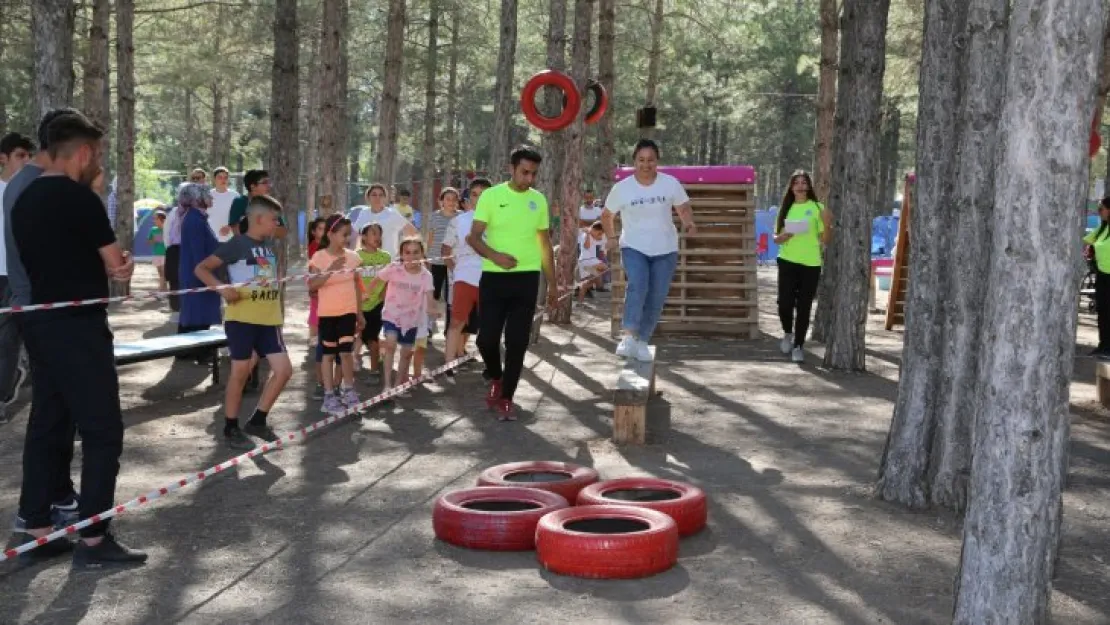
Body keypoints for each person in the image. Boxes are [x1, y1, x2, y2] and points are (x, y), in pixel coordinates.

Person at [12, 111, 146, 566]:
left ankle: (36, 527)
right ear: (84, 152)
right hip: (79, 326)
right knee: (101, 428)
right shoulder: (80, 199)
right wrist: (121, 264)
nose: (98, 163)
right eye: (99, 154)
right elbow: (116, 264)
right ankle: (94, 536)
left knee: (48, 423)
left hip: (41, 323)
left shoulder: (24, 199)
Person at [4, 111, 83, 534]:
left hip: (47, 310)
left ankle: (57, 495)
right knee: (50, 414)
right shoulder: (31, 185)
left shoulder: (34, 184)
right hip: (43, 312)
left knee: (58, 410)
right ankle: (35, 512)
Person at [194, 195, 293, 449]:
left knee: (283, 371)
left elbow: (265, 275)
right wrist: (222, 288)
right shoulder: (236, 245)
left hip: (269, 320)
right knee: (241, 371)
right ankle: (230, 426)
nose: (276, 224)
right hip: (242, 319)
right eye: (274, 219)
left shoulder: (270, 246)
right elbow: (202, 269)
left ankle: (258, 421)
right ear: (259, 219)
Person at [467, 146, 558, 420]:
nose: (529, 178)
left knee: (517, 341)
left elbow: (544, 244)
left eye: (533, 174)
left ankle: (507, 397)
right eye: (524, 172)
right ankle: (496, 376)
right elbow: (473, 238)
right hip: (494, 278)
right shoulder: (491, 197)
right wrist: (496, 256)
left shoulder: (539, 200)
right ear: (511, 168)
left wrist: (553, 285)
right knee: (486, 339)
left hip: (527, 279)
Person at [601, 139, 696, 363]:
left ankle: (643, 340)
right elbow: (607, 215)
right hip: (634, 246)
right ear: (634, 161)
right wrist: (612, 238)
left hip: (665, 248)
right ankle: (629, 336)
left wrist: (689, 223)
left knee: (657, 294)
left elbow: (683, 208)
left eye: (650, 160)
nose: (646, 164)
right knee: (638, 284)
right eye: (641, 160)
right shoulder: (622, 188)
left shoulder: (670, 184)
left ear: (657, 161)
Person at [772, 169, 832, 363]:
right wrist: (783, 237)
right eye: (796, 182)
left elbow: (826, 239)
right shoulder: (786, 208)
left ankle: (798, 345)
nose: (800, 185)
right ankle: (787, 333)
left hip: (810, 263)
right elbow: (776, 238)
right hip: (787, 261)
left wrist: (827, 224)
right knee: (784, 302)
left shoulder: (817, 207)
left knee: (804, 306)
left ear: (808, 186)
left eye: (804, 182)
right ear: (791, 187)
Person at [365, 238, 436, 395]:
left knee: (406, 354)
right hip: (391, 314)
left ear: (423, 254)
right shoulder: (394, 268)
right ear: (402, 254)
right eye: (407, 252)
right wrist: (368, 293)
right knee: (390, 345)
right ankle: (387, 385)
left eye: (416, 252)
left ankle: (398, 386)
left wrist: (432, 308)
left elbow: (430, 296)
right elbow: (377, 278)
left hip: (412, 321)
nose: (411, 256)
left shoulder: (426, 276)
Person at [309, 215, 364, 414]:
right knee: (328, 355)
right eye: (343, 234)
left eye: (349, 235)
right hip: (327, 314)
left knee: (346, 353)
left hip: (348, 312)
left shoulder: (353, 257)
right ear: (330, 234)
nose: (347, 239)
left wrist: (360, 313)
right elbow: (312, 286)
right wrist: (330, 270)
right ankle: (329, 396)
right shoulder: (319, 257)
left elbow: (357, 286)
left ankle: (348, 390)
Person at [0, 132, 34, 419]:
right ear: (3, 158)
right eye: (20, 155)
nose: (25, 161)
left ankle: (3, 395)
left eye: (28, 156)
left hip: (18, 275)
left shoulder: (30, 192)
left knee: (9, 338)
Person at [442, 177, 490, 369]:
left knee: (489, 326)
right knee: (456, 322)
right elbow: (445, 250)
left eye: (484, 194)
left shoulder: (501, 221)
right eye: (475, 194)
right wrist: (457, 271)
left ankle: (490, 367)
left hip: (492, 280)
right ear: (469, 198)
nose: (479, 198)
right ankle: (448, 364)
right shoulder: (459, 221)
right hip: (465, 279)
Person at [163, 168, 208, 317]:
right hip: (176, 251)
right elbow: (166, 235)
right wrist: (171, 250)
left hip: (194, 251)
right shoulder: (174, 213)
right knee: (175, 280)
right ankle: (176, 311)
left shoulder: (201, 213)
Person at [355, 223, 391, 376]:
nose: (377, 237)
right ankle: (353, 365)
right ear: (363, 237)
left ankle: (374, 371)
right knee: (358, 337)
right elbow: (353, 280)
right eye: (373, 233)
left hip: (378, 303)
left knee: (373, 338)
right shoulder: (356, 256)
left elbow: (390, 278)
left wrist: (384, 291)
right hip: (358, 305)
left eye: (379, 233)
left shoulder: (386, 256)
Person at [351, 183, 418, 259]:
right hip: (367, 262)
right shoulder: (363, 213)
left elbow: (412, 231)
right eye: (374, 195)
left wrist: (403, 251)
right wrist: (355, 255)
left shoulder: (392, 214)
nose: (377, 198)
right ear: (368, 197)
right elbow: (356, 236)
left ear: (385, 198)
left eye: (381, 195)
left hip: (389, 261)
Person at [426, 187, 460, 335]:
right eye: (448, 199)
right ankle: (427, 327)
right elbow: (431, 239)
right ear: (441, 201)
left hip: (453, 263)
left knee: (451, 298)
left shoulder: (461, 217)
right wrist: (427, 259)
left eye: (454, 199)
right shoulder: (435, 216)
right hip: (436, 262)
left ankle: (449, 329)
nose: (451, 202)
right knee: (433, 294)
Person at [1085, 197, 1110, 358]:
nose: (1099, 211)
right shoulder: (1103, 228)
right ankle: (1104, 345)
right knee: (1102, 312)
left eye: (1102, 209)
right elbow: (1088, 239)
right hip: (1102, 275)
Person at [306, 216, 326, 348]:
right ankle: (313, 335)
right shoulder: (314, 246)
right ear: (314, 232)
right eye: (320, 229)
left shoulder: (326, 245)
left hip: (325, 279)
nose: (323, 231)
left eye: (325, 229)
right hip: (316, 278)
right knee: (315, 308)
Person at [577, 222, 608, 303]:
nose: (600, 235)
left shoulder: (593, 236)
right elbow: (586, 246)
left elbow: (601, 239)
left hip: (588, 261)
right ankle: (592, 276)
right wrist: (587, 233)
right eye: (599, 233)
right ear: (594, 230)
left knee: (585, 284)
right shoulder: (585, 235)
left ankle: (580, 302)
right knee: (605, 267)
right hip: (587, 260)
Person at [208, 166, 240, 242]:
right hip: (211, 240)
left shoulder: (235, 196)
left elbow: (241, 216)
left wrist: (229, 227)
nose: (223, 180)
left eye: (225, 177)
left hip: (231, 239)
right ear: (214, 179)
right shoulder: (208, 195)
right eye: (220, 177)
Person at [149, 210, 167, 290]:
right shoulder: (153, 229)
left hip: (166, 254)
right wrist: (157, 239)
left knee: (164, 273)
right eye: (154, 218)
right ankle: (165, 290)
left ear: (162, 220)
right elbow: (149, 242)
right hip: (156, 254)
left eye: (156, 219)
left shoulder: (167, 229)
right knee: (160, 273)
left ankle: (160, 291)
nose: (154, 220)